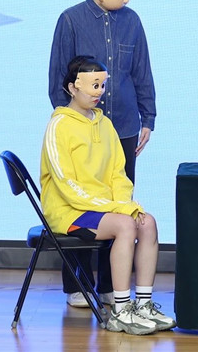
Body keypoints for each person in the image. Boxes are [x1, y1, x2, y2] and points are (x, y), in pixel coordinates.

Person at [48, 0, 156, 307]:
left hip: (122, 129)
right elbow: (58, 81)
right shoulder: (71, 20)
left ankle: (113, 286)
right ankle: (78, 285)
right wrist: (72, 125)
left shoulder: (132, 21)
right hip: (81, 134)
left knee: (119, 205)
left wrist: (148, 117)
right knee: (81, 205)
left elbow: (141, 72)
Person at [41, 56, 174, 335]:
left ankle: (143, 305)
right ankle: (121, 311)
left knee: (147, 222)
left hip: (104, 209)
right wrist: (115, 209)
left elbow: (118, 174)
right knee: (125, 225)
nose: (99, 92)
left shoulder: (105, 124)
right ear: (73, 88)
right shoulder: (59, 126)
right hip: (69, 211)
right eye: (93, 86)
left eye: (102, 85)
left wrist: (124, 204)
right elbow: (66, 184)